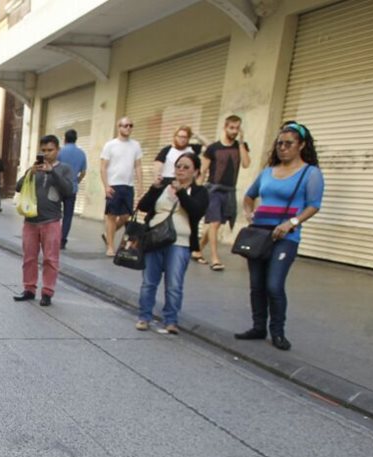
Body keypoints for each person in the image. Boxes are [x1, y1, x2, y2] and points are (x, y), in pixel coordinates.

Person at [236, 121, 323, 351]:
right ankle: (258, 327)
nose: (282, 148)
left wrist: (292, 222)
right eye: (279, 143)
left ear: (301, 145)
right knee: (257, 285)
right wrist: (248, 212)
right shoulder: (267, 172)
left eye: (288, 143)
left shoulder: (310, 173)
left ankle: (277, 332)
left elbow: (314, 205)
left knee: (274, 285)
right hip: (259, 235)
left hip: (285, 238)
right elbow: (248, 196)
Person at [134, 152, 208, 335]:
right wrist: (153, 188)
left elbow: (196, 211)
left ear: (196, 171)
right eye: (178, 166)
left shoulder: (200, 192)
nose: (180, 170)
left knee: (174, 284)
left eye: (186, 167)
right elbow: (143, 207)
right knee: (149, 282)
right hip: (155, 239)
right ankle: (144, 317)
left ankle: (171, 320)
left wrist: (181, 192)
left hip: (180, 243)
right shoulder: (163, 186)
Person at [13, 135, 74, 306]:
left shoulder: (64, 169)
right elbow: (18, 187)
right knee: (29, 258)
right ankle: (29, 289)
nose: (46, 154)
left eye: (50, 150)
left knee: (50, 259)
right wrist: (30, 173)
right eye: (44, 150)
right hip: (31, 220)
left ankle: (47, 292)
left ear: (58, 151)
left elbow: (68, 190)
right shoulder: (34, 169)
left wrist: (52, 172)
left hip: (51, 221)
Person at [200, 114, 251, 270]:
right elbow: (203, 170)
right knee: (214, 223)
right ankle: (215, 258)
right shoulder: (213, 148)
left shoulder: (240, 146)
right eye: (231, 128)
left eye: (237, 128)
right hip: (213, 189)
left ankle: (197, 249)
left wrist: (241, 142)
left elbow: (246, 164)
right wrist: (196, 191)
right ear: (225, 127)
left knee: (216, 224)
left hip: (229, 192)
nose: (234, 131)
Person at [100, 117, 142, 257]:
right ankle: (110, 246)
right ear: (119, 127)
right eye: (125, 125)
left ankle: (108, 234)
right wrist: (106, 185)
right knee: (111, 216)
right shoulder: (110, 145)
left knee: (126, 216)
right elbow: (103, 167)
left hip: (128, 186)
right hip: (114, 185)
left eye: (131, 125)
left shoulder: (135, 145)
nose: (128, 128)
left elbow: (138, 166)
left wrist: (140, 186)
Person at [57, 129, 87, 248]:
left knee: (55, 213)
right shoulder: (81, 153)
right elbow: (83, 172)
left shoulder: (59, 152)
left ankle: (53, 236)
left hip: (58, 187)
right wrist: (76, 181)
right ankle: (62, 239)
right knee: (68, 215)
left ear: (65, 138)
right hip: (72, 188)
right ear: (76, 139)